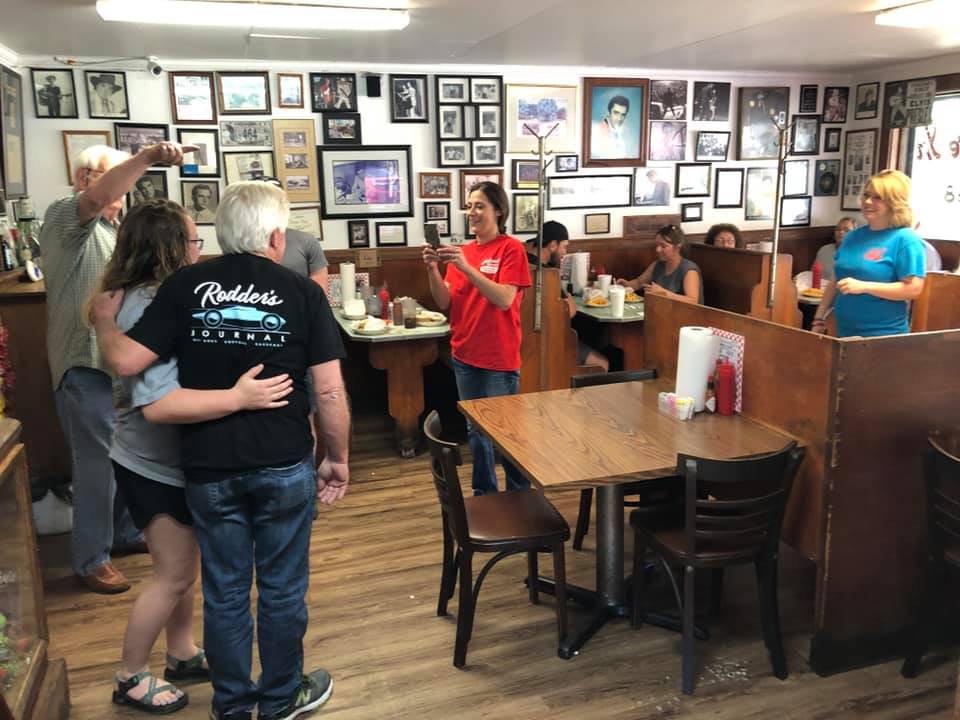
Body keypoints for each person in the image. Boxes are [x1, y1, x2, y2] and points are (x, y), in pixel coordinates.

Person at [91, 181, 351, 720]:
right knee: (281, 590)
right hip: (282, 464)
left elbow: (130, 361)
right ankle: (279, 700)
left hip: (208, 469)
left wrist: (105, 322)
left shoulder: (186, 283)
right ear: (276, 234)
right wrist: (338, 457)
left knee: (227, 590)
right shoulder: (303, 292)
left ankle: (231, 706)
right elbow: (328, 390)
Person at [41, 141, 195, 594]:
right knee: (95, 467)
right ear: (86, 179)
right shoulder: (66, 219)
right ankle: (91, 559)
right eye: (117, 177)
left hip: (119, 368)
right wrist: (146, 158)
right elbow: (93, 201)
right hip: (85, 366)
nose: (124, 191)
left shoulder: (115, 232)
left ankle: (126, 534)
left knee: (126, 456)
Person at [422, 181, 531, 495]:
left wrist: (467, 268)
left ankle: (519, 495)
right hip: (465, 354)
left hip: (499, 358)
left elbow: (504, 299)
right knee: (476, 431)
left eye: (479, 205)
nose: (472, 212)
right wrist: (431, 269)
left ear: (498, 210)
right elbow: (444, 302)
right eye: (469, 206)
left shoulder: (511, 249)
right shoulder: (463, 253)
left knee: (505, 433)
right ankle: (485, 495)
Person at [812, 170, 925, 338]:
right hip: (843, 332)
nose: (867, 201)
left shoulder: (906, 240)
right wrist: (819, 318)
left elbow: (913, 289)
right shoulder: (852, 236)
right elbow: (837, 279)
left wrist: (865, 286)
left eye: (877, 197)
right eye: (866, 195)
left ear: (894, 203)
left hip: (884, 337)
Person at [525, 221, 608, 371]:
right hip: (545, 341)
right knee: (601, 363)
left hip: (529, 339)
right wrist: (571, 306)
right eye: (564, 246)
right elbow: (567, 311)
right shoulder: (545, 274)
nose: (564, 253)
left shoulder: (524, 260)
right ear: (552, 245)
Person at [616, 224, 702, 304]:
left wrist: (663, 293)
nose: (658, 250)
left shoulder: (689, 270)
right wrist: (626, 285)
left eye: (663, 246)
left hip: (685, 317)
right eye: (657, 245)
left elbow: (692, 301)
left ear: (678, 248)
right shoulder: (658, 264)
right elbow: (639, 283)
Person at [812, 217, 856, 282]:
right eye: (838, 229)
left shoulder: (858, 255)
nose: (841, 232)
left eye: (846, 230)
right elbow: (813, 273)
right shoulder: (824, 250)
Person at [592, 95, 630, 159]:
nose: (619, 118)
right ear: (609, 112)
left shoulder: (625, 132)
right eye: (616, 113)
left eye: (623, 115)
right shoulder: (597, 130)